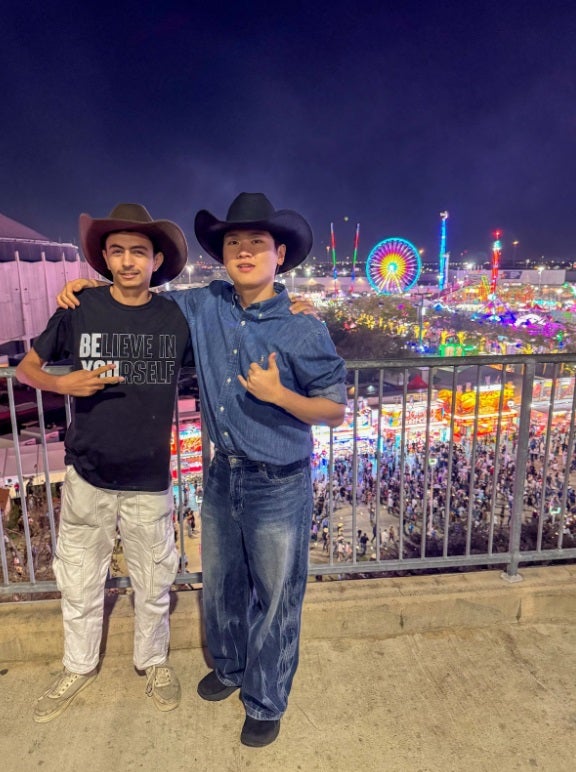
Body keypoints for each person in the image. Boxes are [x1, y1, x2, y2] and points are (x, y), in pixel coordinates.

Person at [58, 192, 347, 748]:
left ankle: (266, 697)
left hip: (279, 481)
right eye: (233, 243)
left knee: (276, 598)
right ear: (221, 255)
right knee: (222, 587)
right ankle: (233, 668)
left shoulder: (302, 326)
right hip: (222, 476)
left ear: (278, 253)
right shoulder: (203, 304)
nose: (242, 251)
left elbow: (334, 408)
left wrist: (281, 394)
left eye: (255, 243)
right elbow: (140, 297)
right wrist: (90, 291)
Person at [16, 203, 193, 723]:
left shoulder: (176, 316)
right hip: (87, 472)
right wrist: (60, 382)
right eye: (116, 251)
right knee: (79, 578)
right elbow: (29, 366)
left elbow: (235, 318)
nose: (127, 261)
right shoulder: (80, 309)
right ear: (105, 259)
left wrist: (291, 306)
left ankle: (153, 661)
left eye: (138, 251)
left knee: (154, 581)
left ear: (157, 259)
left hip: (148, 477)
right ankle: (77, 665)